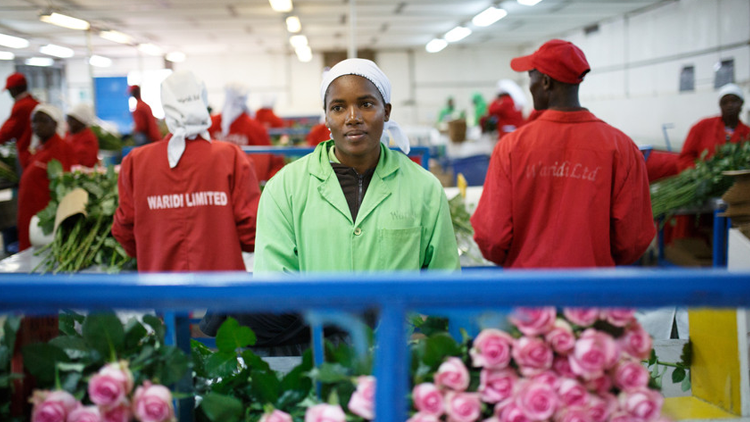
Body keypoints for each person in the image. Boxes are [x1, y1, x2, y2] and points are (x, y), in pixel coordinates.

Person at [243, 58, 460, 352]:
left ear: (387, 111)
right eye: (338, 107)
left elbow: (443, 285)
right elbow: (273, 288)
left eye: (366, 104)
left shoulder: (423, 188)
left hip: (398, 353)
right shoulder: (286, 188)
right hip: (315, 356)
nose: (352, 117)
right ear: (326, 117)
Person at [471, 39, 655, 268]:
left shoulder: (511, 147)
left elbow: (492, 237)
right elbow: (634, 239)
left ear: (546, 82)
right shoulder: (622, 147)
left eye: (531, 76)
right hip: (594, 292)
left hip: (528, 292)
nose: (530, 86)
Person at [112, 71, 261, 272]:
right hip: (223, 287)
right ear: (203, 102)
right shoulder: (231, 157)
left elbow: (125, 229)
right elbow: (251, 229)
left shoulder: (135, 162)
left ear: (166, 109)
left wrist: (154, 250)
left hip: (162, 287)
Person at [17, 104, 75, 251]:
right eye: (34, 121)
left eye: (43, 121)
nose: (37, 126)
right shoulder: (39, 148)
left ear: (55, 123)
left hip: (45, 220)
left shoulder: (61, 149)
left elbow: (67, 186)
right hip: (30, 215)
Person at [208, 83, 284, 183]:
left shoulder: (211, 124)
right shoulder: (255, 127)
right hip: (246, 183)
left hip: (217, 182)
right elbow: (272, 160)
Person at [677, 83, 749, 171]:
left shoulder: (747, 133)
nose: (729, 105)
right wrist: (699, 173)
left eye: (734, 101)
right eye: (725, 102)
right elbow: (685, 157)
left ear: (741, 104)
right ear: (720, 105)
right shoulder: (702, 127)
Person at [0, 72, 40, 168]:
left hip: (26, 152)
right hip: (36, 152)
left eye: (9, 90)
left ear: (15, 89)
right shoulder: (35, 102)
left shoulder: (21, 106)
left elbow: (9, 130)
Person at [64, 103, 99, 167]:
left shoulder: (88, 139)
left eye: (72, 120)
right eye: (68, 119)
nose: (68, 122)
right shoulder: (68, 134)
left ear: (81, 122)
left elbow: (84, 164)